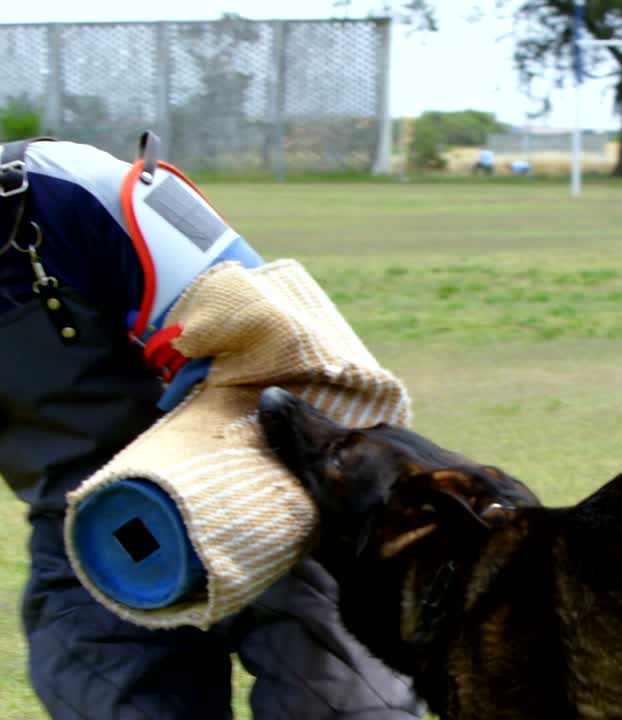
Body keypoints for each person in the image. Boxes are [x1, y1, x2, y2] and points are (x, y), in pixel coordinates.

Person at [0, 137, 423, 719]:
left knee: (352, 710)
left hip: (278, 496)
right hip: (92, 543)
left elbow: (284, 344)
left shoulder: (73, 189)